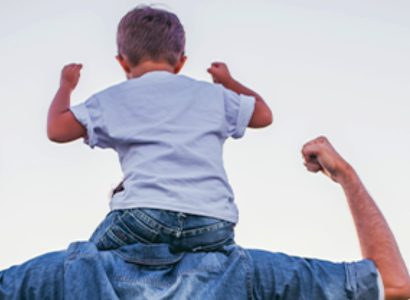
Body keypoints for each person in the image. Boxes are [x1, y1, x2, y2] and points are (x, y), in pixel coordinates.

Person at [0, 136, 410, 300]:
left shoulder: (66, 274)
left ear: (120, 199)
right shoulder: (247, 275)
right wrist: (345, 175)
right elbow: (394, 284)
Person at [46, 6, 273, 253]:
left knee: (86, 262)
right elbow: (263, 114)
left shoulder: (114, 98)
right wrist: (228, 82)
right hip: (214, 222)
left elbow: (56, 129)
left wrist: (66, 86)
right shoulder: (213, 95)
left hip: (144, 217)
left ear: (122, 62)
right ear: (181, 62)